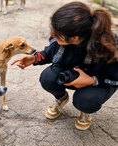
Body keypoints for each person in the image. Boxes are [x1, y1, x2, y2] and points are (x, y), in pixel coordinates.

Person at [11, 2, 118, 130]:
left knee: (85, 101)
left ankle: (85, 111)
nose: (52, 35)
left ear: (75, 38)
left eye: (57, 34)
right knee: (47, 77)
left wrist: (91, 80)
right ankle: (61, 99)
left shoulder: (110, 48)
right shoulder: (61, 38)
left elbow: (115, 79)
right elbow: (49, 52)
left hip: (98, 81)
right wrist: (34, 58)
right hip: (70, 75)